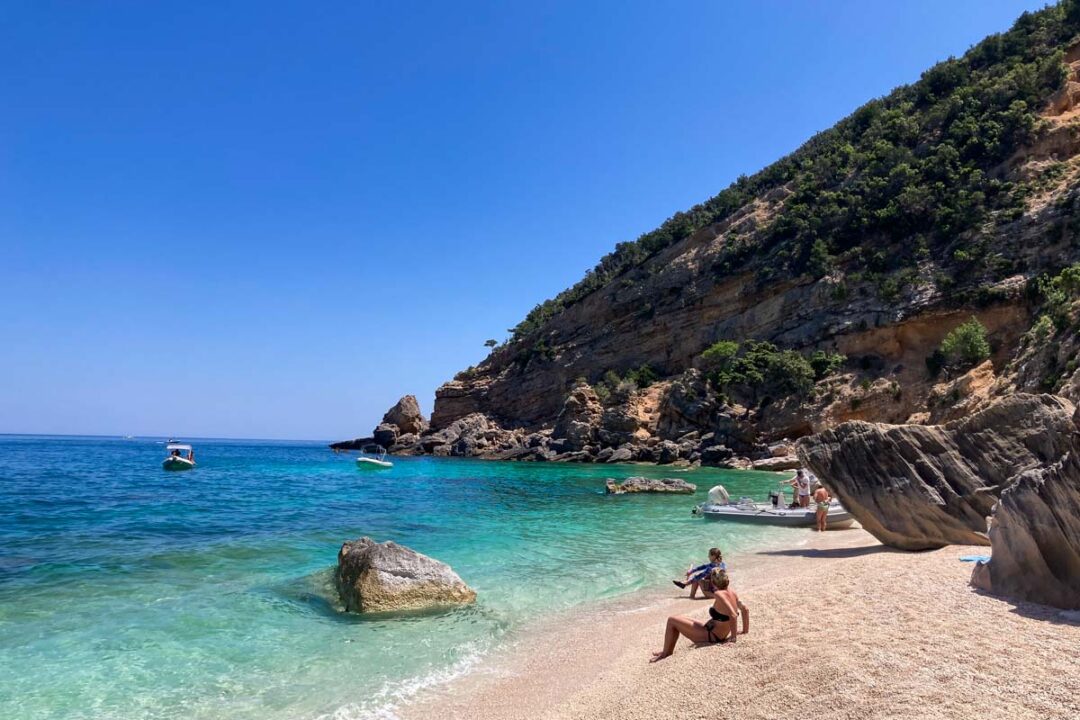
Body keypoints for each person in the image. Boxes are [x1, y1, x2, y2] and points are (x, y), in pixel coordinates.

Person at [652, 568, 749, 662]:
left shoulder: (719, 594)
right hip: (711, 630)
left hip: (712, 635)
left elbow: (733, 615)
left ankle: (666, 653)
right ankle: (667, 650)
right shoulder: (733, 593)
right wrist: (745, 630)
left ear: (713, 582)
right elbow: (745, 609)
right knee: (678, 618)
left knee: (671, 620)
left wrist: (733, 638)